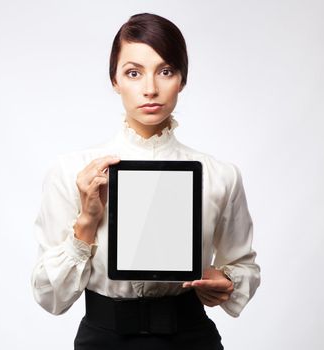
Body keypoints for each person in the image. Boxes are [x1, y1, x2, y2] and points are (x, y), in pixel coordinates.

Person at [31, 13, 260, 350]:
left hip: (191, 337)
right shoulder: (72, 171)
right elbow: (50, 297)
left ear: (181, 79)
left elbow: (243, 266)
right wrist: (87, 221)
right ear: (114, 80)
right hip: (103, 339)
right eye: (134, 73)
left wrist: (226, 282)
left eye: (165, 71)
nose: (150, 88)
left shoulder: (219, 174)